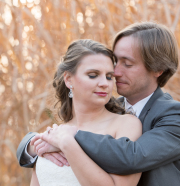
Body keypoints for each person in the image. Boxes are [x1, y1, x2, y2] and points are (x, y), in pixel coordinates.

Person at [17, 22, 180, 186]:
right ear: (68, 79)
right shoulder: (106, 109)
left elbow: (131, 156)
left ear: (158, 69)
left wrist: (69, 137)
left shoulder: (174, 116)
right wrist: (35, 143)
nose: (116, 72)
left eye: (127, 63)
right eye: (115, 61)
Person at [27, 39, 143, 186]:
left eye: (109, 76)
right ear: (69, 79)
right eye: (93, 75)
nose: (104, 83)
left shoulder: (126, 125)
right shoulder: (53, 134)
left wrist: (67, 144)